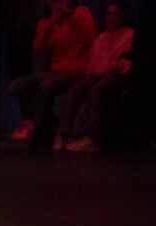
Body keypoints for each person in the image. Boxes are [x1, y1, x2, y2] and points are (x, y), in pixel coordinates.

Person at [8, 0, 96, 141]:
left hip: (77, 71)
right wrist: (51, 23)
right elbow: (38, 47)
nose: (57, 5)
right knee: (15, 86)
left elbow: (90, 39)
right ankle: (48, 120)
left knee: (47, 85)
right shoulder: (45, 22)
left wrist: (70, 18)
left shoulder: (81, 13)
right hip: (56, 72)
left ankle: (39, 131)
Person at [57, 1, 134, 149]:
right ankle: (63, 134)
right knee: (75, 91)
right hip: (97, 73)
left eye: (116, 14)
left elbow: (123, 62)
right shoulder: (102, 38)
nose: (112, 18)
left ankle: (91, 137)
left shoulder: (129, 35)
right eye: (109, 14)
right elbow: (92, 60)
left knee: (96, 91)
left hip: (115, 74)